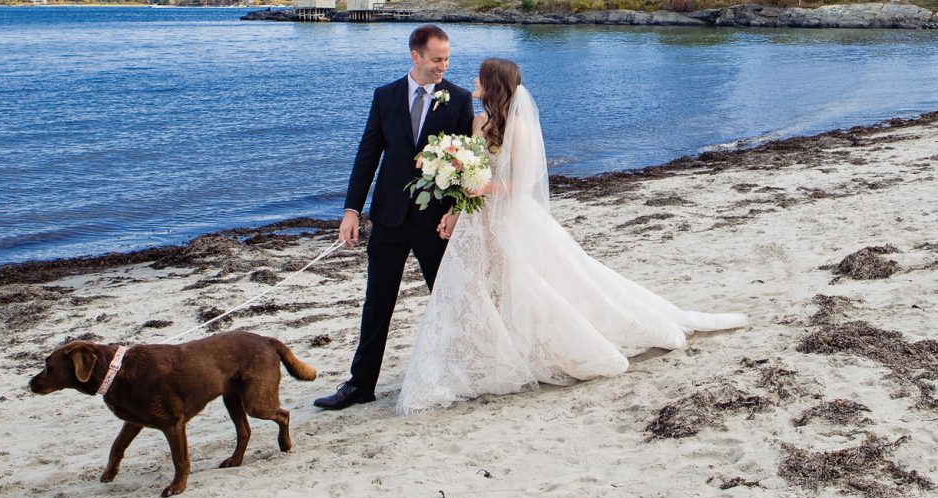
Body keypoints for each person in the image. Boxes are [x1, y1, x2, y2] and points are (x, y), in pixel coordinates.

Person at [397, 58, 745, 415]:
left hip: (509, 218)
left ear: (493, 84)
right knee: (482, 286)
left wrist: (485, 187)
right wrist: (455, 212)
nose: (474, 80)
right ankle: (493, 350)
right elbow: (470, 174)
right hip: (478, 220)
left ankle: (546, 347)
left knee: (526, 282)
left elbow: (522, 184)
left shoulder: (519, 129)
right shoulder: (478, 122)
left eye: (481, 76)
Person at [315, 24, 474, 411]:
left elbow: (470, 163)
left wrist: (455, 212)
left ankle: (464, 372)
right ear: (415, 56)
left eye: (447, 59)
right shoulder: (384, 96)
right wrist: (351, 210)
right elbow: (368, 155)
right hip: (387, 218)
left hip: (434, 222)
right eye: (437, 59)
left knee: (448, 298)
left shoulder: (459, 99)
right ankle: (360, 384)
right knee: (377, 301)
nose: (443, 66)